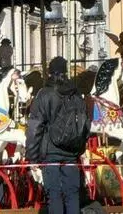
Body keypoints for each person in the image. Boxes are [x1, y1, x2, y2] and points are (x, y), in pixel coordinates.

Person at [26, 57, 90, 214]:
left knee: (54, 195)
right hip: (71, 153)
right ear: (65, 72)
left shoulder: (44, 94)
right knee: (72, 194)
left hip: (51, 153)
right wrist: (78, 149)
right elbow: (85, 125)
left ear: (49, 73)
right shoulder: (76, 95)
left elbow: (35, 127)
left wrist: (32, 157)